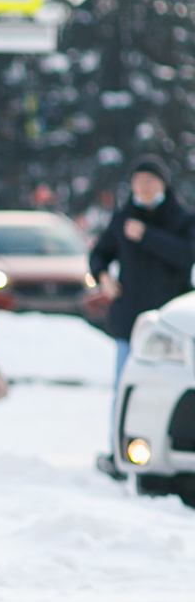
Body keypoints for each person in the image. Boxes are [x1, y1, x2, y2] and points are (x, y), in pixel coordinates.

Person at [89, 156, 195, 472]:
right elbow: (99, 254)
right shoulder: (123, 218)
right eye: (139, 183)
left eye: (150, 182)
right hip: (128, 319)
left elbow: (186, 256)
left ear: (162, 185)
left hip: (168, 326)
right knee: (124, 386)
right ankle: (118, 452)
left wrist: (146, 235)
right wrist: (103, 277)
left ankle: (166, 451)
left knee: (166, 389)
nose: (144, 189)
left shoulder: (181, 218)